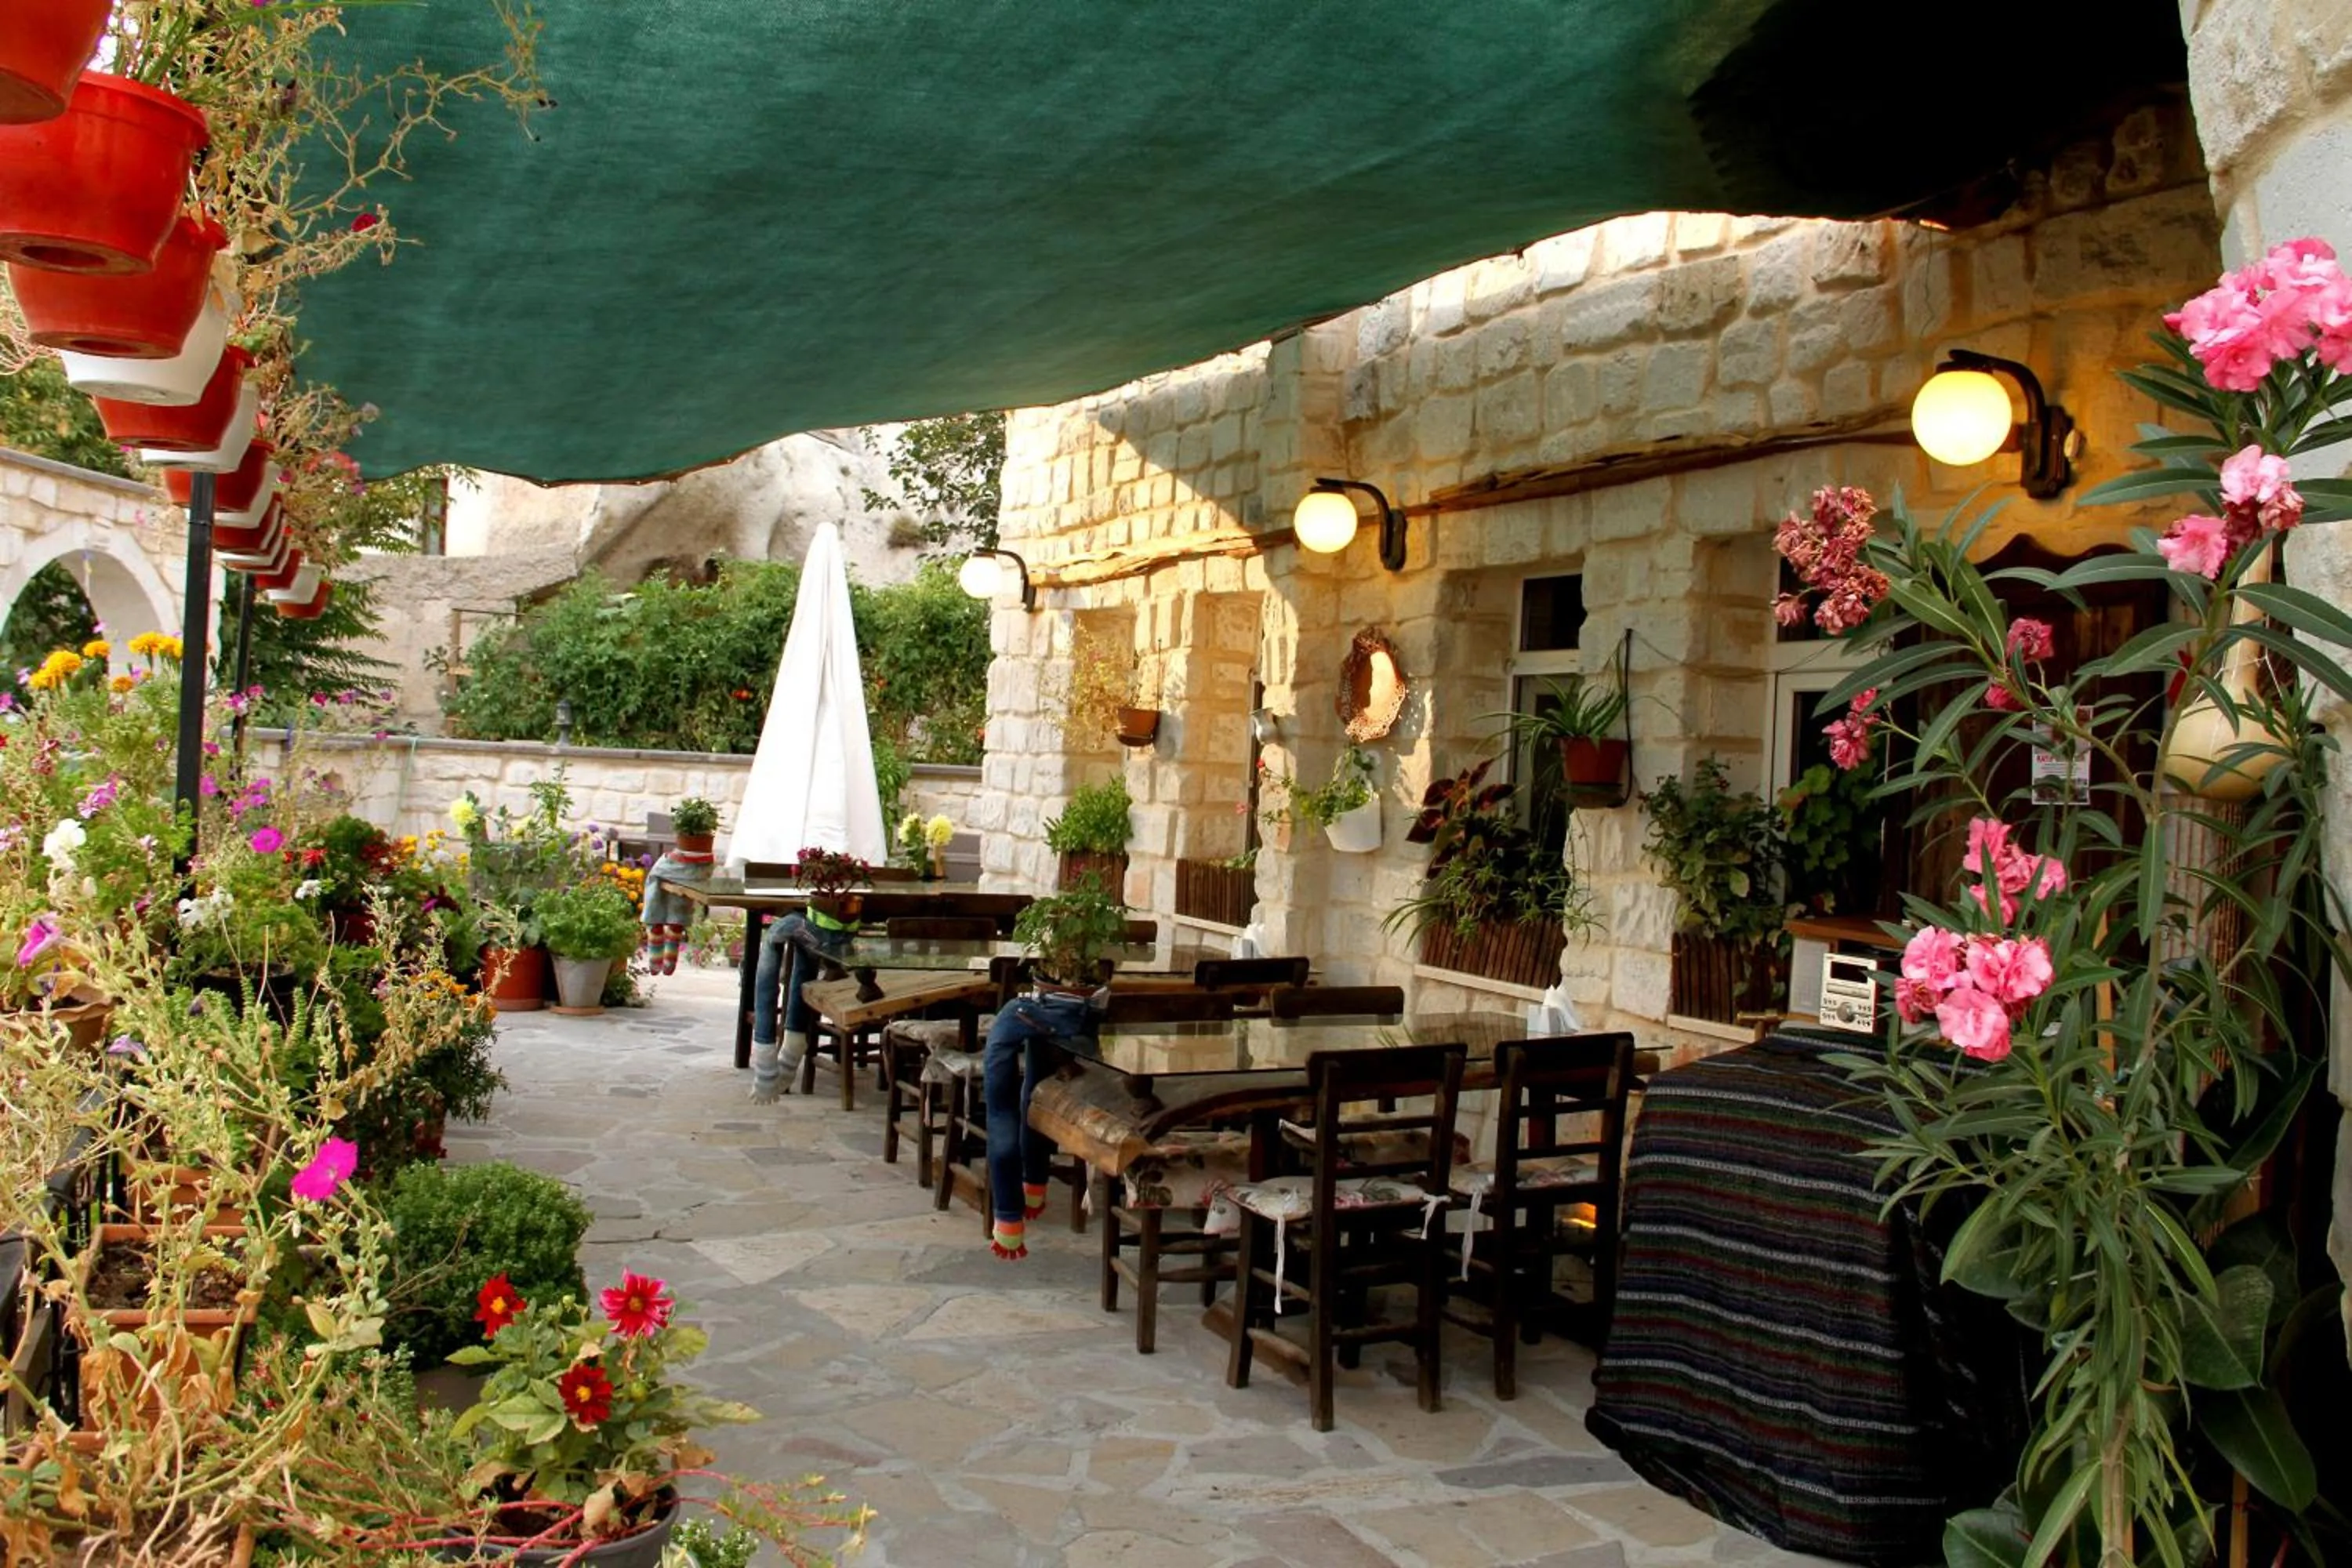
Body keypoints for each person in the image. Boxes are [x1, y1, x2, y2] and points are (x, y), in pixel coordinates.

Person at [980, 982, 1103, 1258]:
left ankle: (1010, 1216)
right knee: (1033, 1092)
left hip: (1043, 1015)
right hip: (1086, 1030)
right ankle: (1033, 1186)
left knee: (1001, 1109)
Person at [746, 903, 855, 1101]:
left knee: (774, 936)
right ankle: (794, 1041)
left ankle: (765, 1058)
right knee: (803, 944)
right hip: (845, 941)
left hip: (826, 937)